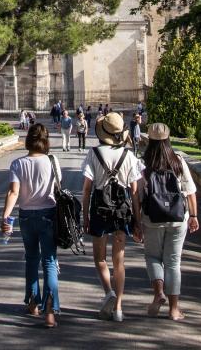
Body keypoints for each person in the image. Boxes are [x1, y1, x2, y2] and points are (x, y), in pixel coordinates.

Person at [81, 112, 143, 322]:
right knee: (119, 262)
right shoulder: (129, 156)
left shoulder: (94, 153)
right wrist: (138, 220)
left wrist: (85, 216)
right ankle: (118, 309)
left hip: (99, 208)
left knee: (99, 259)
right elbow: (134, 192)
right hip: (121, 211)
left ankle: (109, 292)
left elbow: (87, 190)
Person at [1, 124, 62, 328]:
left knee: (31, 259)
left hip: (26, 215)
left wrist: (6, 216)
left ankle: (33, 303)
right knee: (49, 261)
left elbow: (13, 193)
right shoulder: (52, 161)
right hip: (49, 214)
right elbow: (58, 188)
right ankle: (51, 311)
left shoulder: (18, 164)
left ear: (28, 139)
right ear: (46, 141)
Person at [138, 123, 199, 321]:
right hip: (177, 217)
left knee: (152, 257)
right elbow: (190, 192)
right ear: (167, 139)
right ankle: (174, 309)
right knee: (173, 262)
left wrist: (137, 221)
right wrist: (195, 216)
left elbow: (138, 196)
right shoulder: (178, 161)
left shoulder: (143, 164)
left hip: (152, 218)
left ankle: (158, 293)